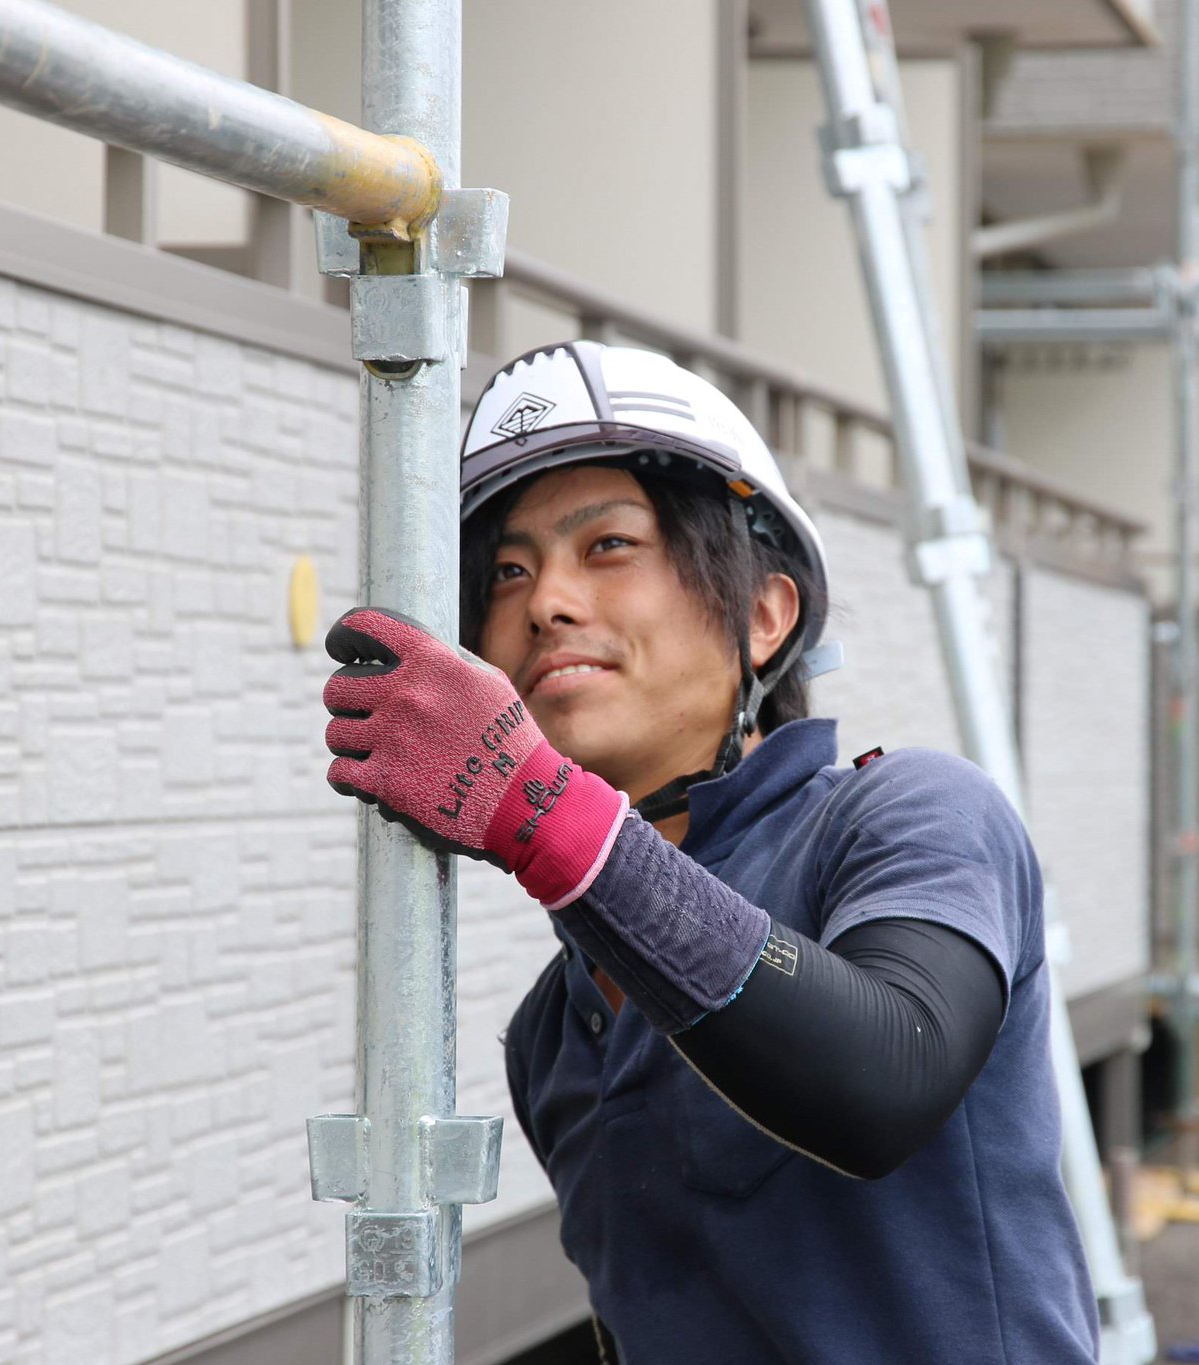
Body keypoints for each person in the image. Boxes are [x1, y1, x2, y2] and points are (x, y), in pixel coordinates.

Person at [320, 341, 1100, 1364]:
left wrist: (541, 817)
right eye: (507, 571)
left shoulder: (909, 817)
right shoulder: (556, 1031)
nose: (545, 601)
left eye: (607, 546)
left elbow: (885, 1076)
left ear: (763, 615)